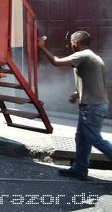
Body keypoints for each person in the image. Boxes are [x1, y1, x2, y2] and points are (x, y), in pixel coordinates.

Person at [38, 31, 112, 180]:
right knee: (82, 138)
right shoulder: (94, 58)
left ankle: (80, 167)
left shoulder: (83, 55)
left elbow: (56, 62)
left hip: (92, 107)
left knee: (94, 138)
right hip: (92, 105)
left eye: (71, 41)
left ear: (76, 42)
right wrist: (78, 92)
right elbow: (96, 82)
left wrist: (42, 47)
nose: (70, 44)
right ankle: (79, 168)